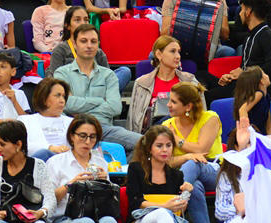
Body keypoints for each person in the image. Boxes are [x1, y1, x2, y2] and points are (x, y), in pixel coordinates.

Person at [46, 114, 121, 223]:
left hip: (96, 214)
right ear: (72, 136)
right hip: (64, 218)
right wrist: (70, 185)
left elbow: (108, 202)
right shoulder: (56, 162)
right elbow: (49, 200)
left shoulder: (100, 162)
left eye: (92, 137)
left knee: (109, 222)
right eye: (82, 136)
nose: (87, 142)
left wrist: (104, 184)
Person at [55, 24, 142, 159]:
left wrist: (80, 109)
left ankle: (120, 178)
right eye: (84, 41)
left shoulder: (109, 75)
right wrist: (100, 101)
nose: (89, 45)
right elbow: (66, 104)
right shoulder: (62, 73)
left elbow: (115, 107)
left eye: (93, 41)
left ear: (98, 45)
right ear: (75, 44)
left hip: (103, 128)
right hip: (74, 128)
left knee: (144, 143)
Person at [210, 0, 271, 131]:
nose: (239, 13)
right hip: (245, 87)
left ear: (249, 11)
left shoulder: (269, 36)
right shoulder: (250, 36)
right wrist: (231, 77)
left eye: (242, 8)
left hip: (261, 90)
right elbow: (245, 67)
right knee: (205, 82)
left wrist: (243, 74)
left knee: (210, 96)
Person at [163, 82, 219, 223]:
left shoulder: (210, 118)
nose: (168, 105)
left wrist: (178, 141)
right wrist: (187, 156)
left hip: (213, 170)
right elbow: (166, 161)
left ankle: (176, 207)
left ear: (188, 106)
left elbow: (202, 150)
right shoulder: (167, 126)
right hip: (184, 174)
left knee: (193, 164)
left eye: (173, 102)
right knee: (194, 185)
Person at [127, 125, 192, 223]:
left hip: (164, 222)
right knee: (162, 213)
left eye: (168, 145)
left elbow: (181, 210)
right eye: (159, 145)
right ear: (149, 148)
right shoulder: (136, 169)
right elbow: (135, 202)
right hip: (139, 221)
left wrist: (186, 195)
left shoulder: (176, 174)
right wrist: (164, 206)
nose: (165, 150)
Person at [129, 36, 200, 133]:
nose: (178, 56)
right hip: (154, 135)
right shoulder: (142, 83)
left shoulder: (190, 81)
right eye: (172, 51)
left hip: (185, 132)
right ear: (159, 54)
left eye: (178, 52)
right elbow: (133, 121)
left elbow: (200, 114)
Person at [20, 79, 73, 160]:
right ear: (44, 98)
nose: (62, 101)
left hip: (65, 163)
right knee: (44, 154)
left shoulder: (71, 122)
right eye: (58, 95)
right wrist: (50, 148)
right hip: (37, 164)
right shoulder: (25, 121)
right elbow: (20, 146)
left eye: (63, 96)